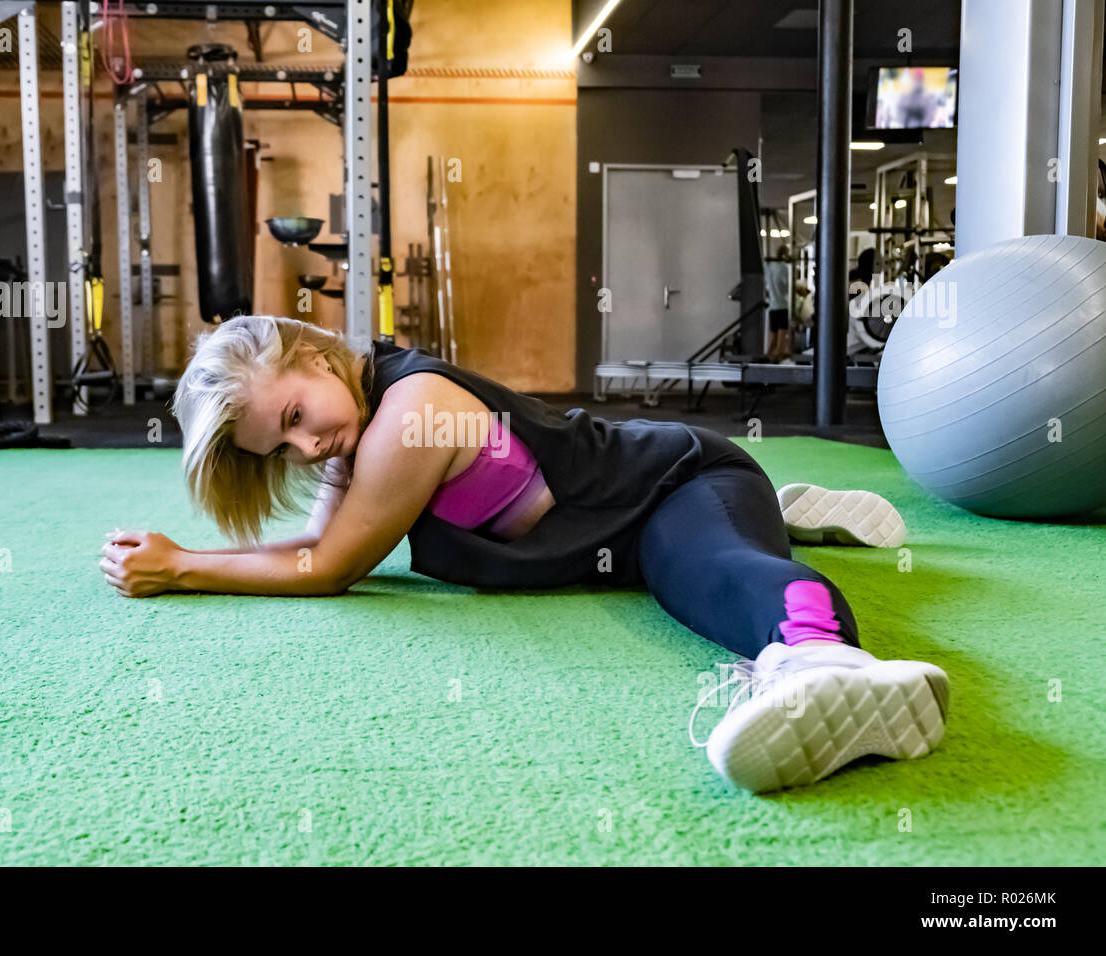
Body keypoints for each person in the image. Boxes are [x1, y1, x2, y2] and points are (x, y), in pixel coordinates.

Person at [99, 314, 950, 794]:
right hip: (612, 526)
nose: (305, 448)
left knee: (709, 573)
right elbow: (323, 545)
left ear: (320, 357)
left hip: (670, 486)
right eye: (280, 451)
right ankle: (784, 512)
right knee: (698, 553)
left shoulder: (409, 411)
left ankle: (823, 660)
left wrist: (180, 567)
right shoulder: (355, 431)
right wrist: (192, 553)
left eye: (292, 418)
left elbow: (328, 571)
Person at [764, 244, 792, 362]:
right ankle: (776, 361)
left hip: (772, 307)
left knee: (773, 338)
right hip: (782, 306)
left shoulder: (769, 266)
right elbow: (785, 286)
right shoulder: (783, 267)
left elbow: (767, 286)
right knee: (781, 340)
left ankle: (767, 360)